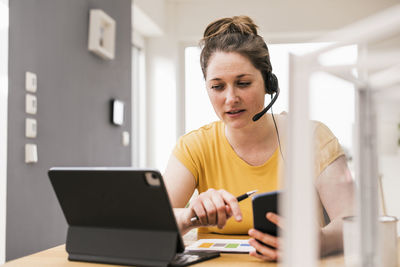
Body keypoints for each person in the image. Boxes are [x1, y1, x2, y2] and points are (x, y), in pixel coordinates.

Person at [163, 15, 354, 261]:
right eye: (217, 87)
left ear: (268, 83)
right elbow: (150, 225)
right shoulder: (194, 146)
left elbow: (355, 221)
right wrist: (191, 215)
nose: (230, 98)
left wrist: (321, 242)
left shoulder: (313, 138)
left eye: (243, 83)